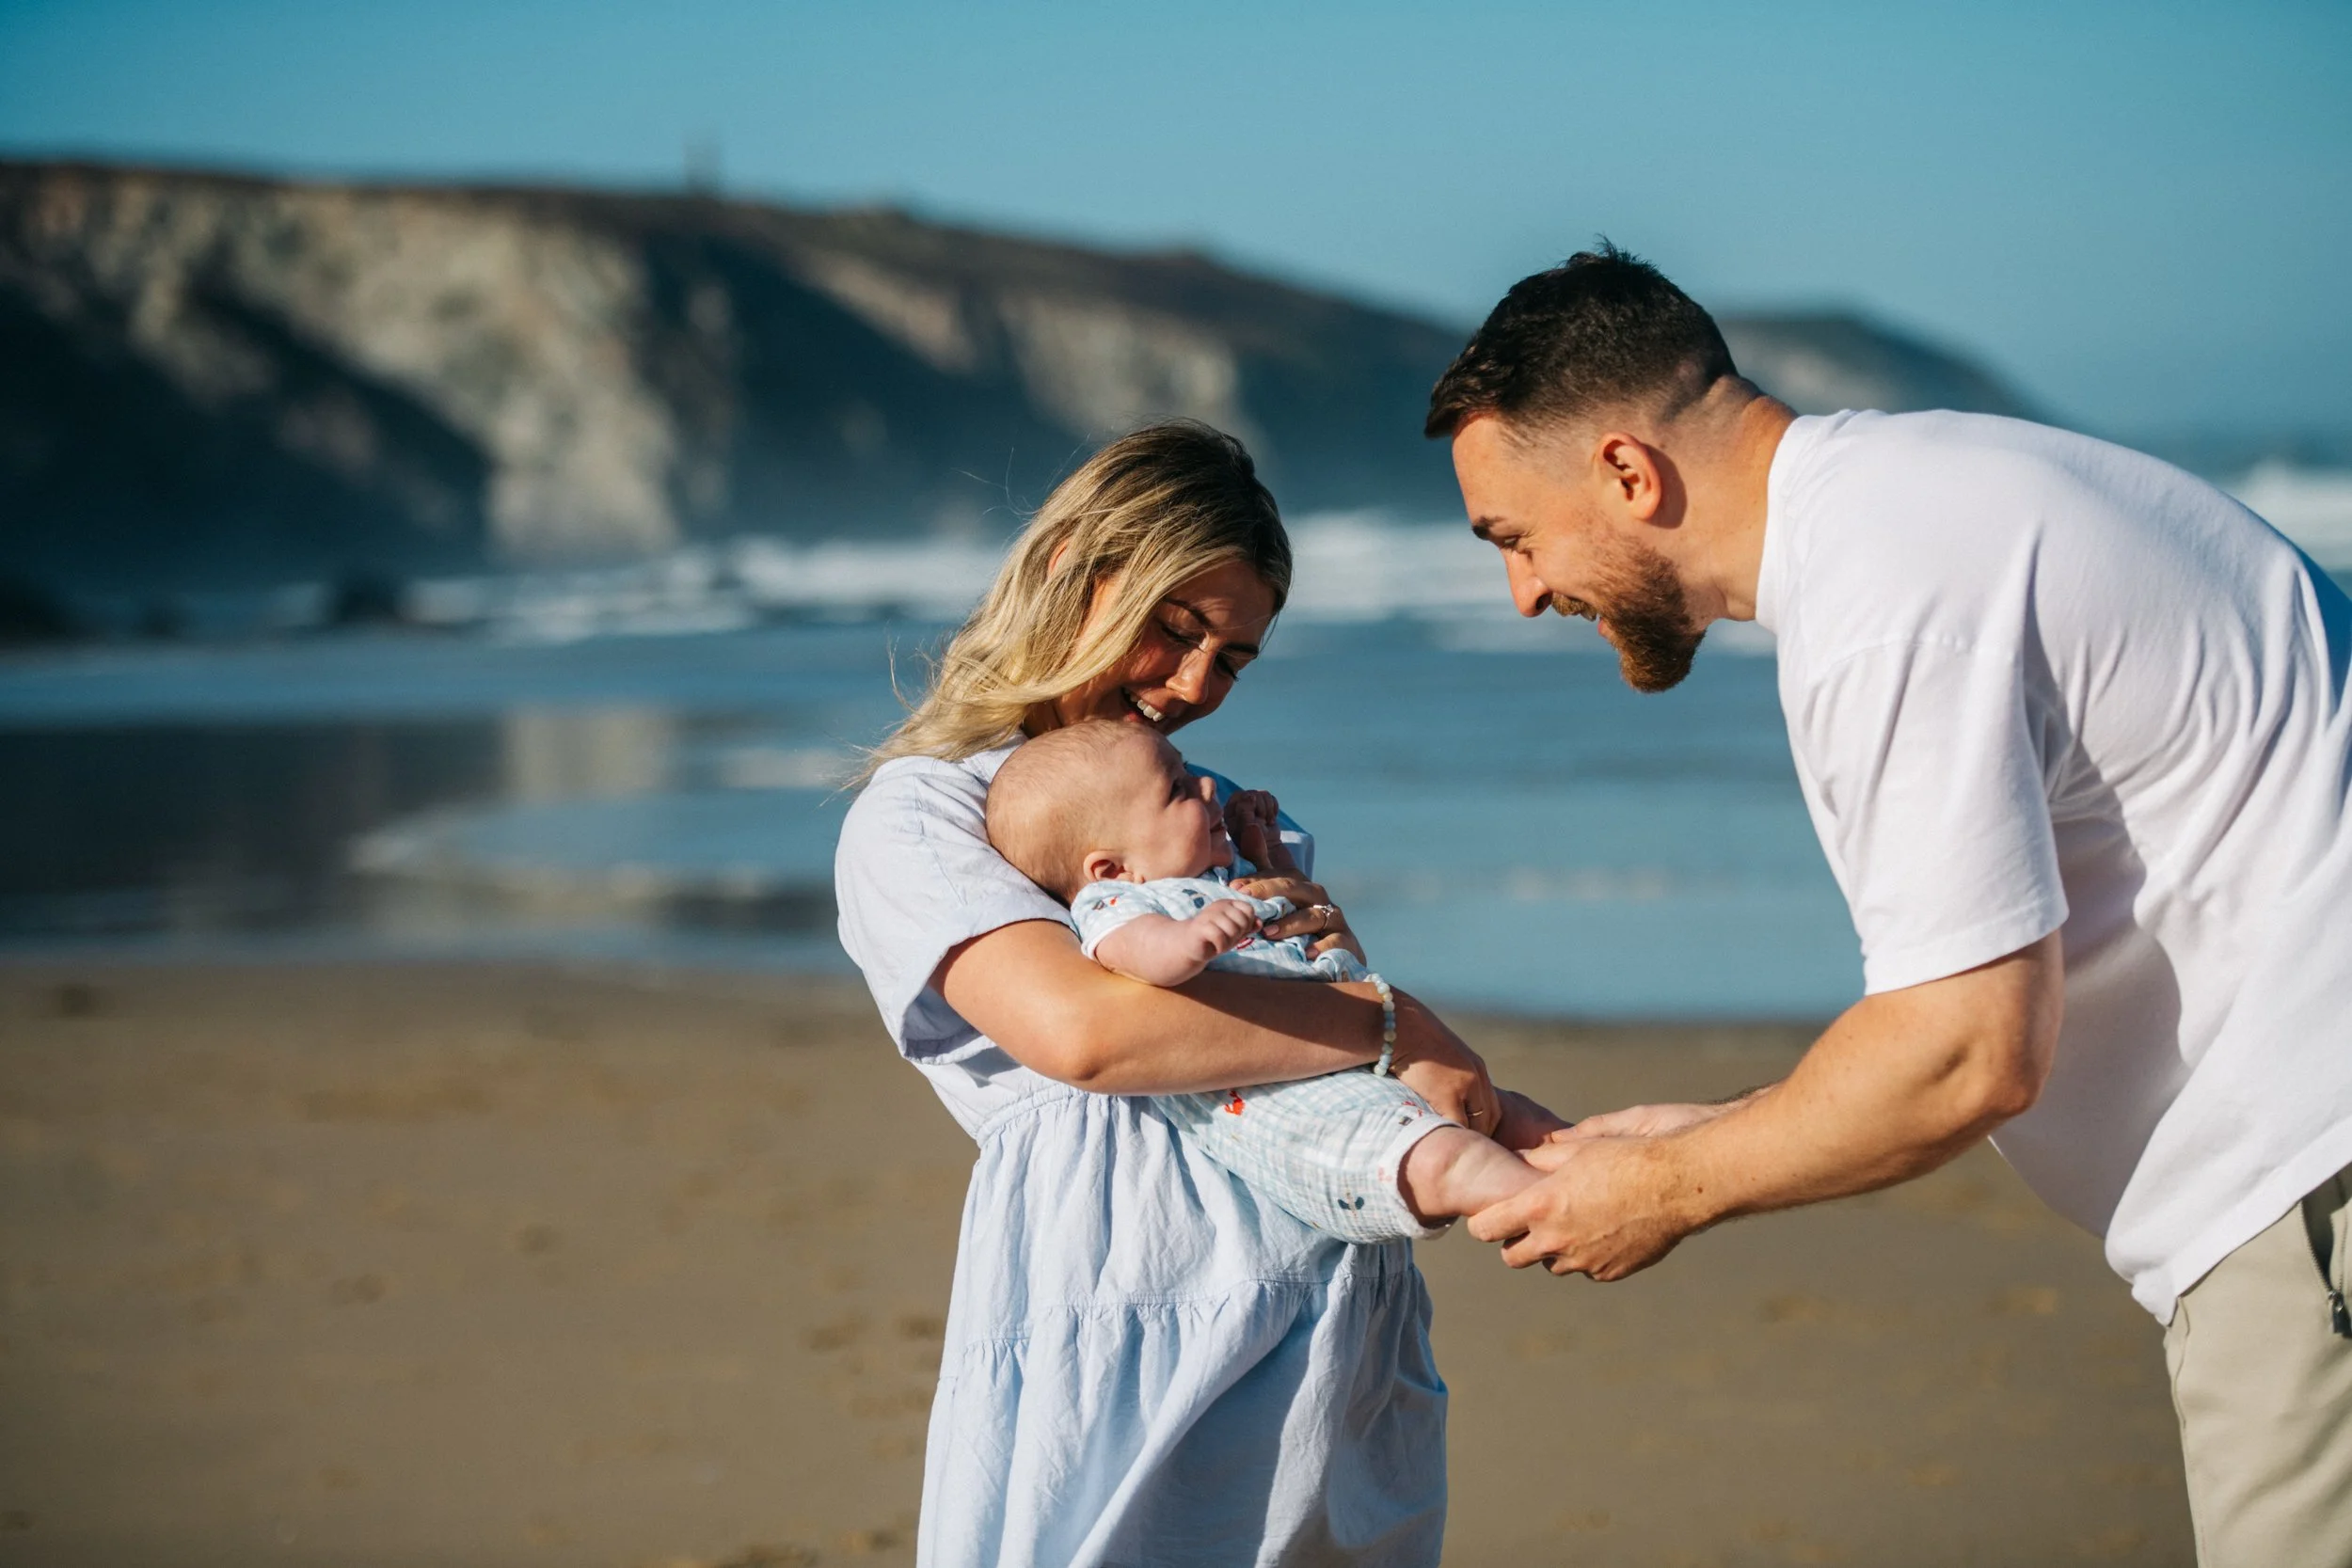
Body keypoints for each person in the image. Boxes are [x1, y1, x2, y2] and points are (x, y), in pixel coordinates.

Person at [1428, 245, 2352, 1565]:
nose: (1523, 592)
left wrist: (1669, 1185)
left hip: (2314, 1173)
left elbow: (1970, 1051)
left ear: (1629, 472)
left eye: (1514, 536)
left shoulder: (1885, 600)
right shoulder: (1914, 501)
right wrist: (1734, 1121)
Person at [832, 420, 1529, 1568]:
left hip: (1334, 1272)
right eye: (1174, 628)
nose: (1197, 684)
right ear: (1070, 570)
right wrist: (1400, 1025)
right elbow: (1087, 1035)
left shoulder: (1213, 814)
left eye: (1234, 657)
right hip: (1134, 1287)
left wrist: (1353, 981)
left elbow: (1312, 1023)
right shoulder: (924, 815)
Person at [983, 718, 1549, 1236]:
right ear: (1110, 867)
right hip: (1297, 1111)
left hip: (1351, 1060)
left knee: (1497, 1108)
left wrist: (1262, 848)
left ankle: (1578, 1152)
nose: (1207, 788)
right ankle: (1551, 1202)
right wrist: (1191, 940)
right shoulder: (1120, 902)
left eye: (1188, 771)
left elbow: (1290, 916)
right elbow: (1135, 955)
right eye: (1178, 789)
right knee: (1446, 1160)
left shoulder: (1219, 876)